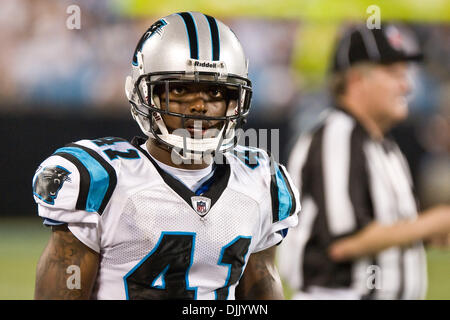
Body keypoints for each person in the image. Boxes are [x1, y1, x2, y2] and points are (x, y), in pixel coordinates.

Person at [32, 12, 299, 300]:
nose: (200, 106)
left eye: (216, 91)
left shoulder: (260, 180)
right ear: (145, 94)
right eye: (181, 89)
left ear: (236, 100)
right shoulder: (101, 179)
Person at [280, 23, 450, 300]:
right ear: (357, 79)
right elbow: (342, 241)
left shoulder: (382, 145)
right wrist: (432, 222)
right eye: (395, 74)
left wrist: (431, 233)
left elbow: (383, 230)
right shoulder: (338, 134)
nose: (406, 85)